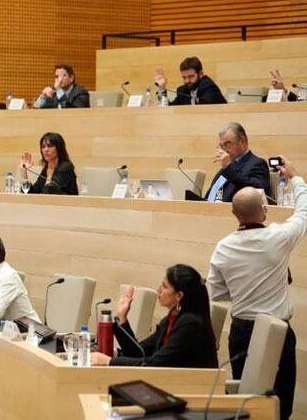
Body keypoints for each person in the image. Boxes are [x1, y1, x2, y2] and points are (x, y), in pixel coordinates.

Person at [207, 156, 305, 420]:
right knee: (280, 401)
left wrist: (243, 290)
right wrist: (294, 177)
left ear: (233, 213)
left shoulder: (223, 247)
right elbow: (304, 211)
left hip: (241, 331)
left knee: (245, 403)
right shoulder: (279, 237)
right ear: (264, 210)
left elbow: (216, 293)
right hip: (279, 330)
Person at [91, 264, 218, 368]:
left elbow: (156, 364)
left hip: (194, 390)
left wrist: (109, 361)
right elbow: (138, 353)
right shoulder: (170, 319)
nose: (159, 290)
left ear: (179, 295)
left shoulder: (191, 325)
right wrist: (122, 318)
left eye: (164, 286)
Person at [204, 122, 269, 203]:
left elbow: (257, 191)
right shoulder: (227, 168)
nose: (224, 149)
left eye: (228, 144)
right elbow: (211, 196)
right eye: (222, 145)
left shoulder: (257, 164)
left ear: (243, 141)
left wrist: (228, 167)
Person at [155, 56, 227, 105]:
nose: (187, 81)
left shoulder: (208, 86)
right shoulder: (183, 91)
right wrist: (161, 88)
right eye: (184, 77)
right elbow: (170, 109)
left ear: (200, 74)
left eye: (191, 76)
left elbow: (205, 105)